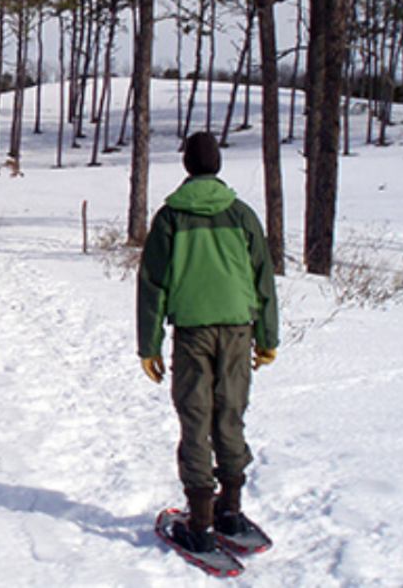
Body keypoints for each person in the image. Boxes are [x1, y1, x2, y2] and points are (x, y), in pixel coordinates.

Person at [136, 131, 279, 553]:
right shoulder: (242, 215)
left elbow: (153, 286)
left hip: (193, 334)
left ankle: (200, 524)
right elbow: (264, 280)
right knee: (230, 414)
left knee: (196, 418)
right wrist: (267, 337)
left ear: (187, 167)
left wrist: (149, 346)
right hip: (239, 330)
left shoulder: (170, 217)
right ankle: (229, 511)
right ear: (217, 165)